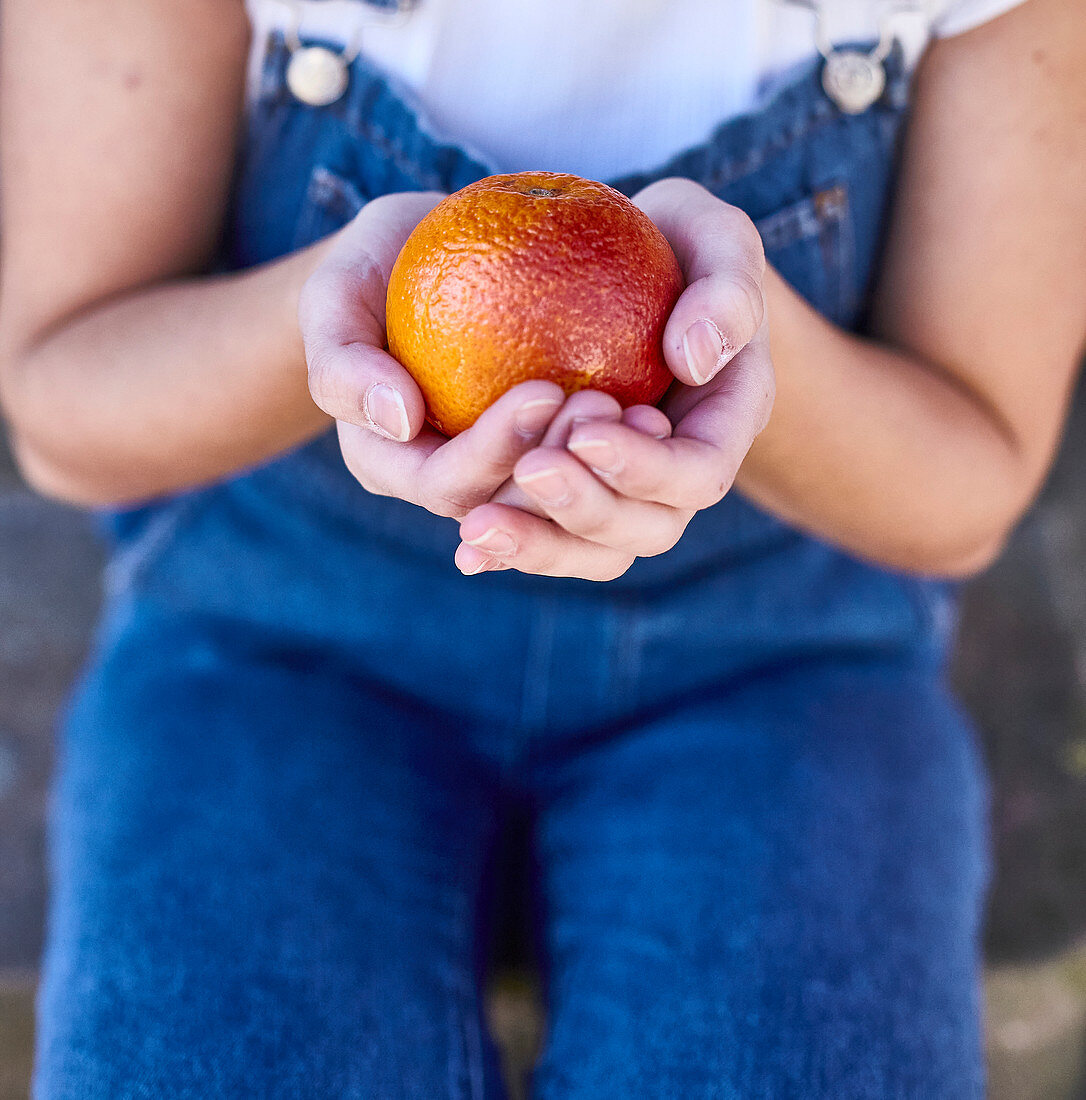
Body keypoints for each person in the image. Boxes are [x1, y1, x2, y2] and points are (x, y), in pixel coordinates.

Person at [1, 0, 1083, 1095]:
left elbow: (972, 477)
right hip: (274, 642)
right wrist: (342, 328)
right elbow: (64, 412)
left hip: (778, 662)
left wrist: (748, 351)